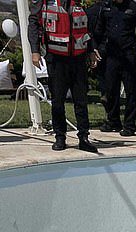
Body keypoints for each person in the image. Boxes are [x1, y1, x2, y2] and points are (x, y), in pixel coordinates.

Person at [28, 0, 100, 153]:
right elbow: (34, 24)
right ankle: (60, 136)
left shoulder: (79, 3)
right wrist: (35, 50)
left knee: (81, 99)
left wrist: (92, 50)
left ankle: (83, 137)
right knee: (58, 100)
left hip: (78, 58)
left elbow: (87, 29)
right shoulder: (45, 2)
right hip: (56, 58)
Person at [95, 0, 136, 135]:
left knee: (130, 91)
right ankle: (113, 121)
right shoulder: (106, 7)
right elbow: (98, 30)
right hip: (112, 55)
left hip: (129, 55)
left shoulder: (132, 7)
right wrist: (95, 48)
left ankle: (129, 125)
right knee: (110, 90)